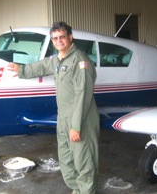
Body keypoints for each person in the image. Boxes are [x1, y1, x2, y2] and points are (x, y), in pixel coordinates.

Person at [8, 22, 99, 194]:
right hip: (64, 119)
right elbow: (43, 65)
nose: (59, 41)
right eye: (55, 38)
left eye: (62, 37)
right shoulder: (58, 59)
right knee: (66, 160)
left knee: (84, 161)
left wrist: (76, 127)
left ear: (70, 37)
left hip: (81, 120)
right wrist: (22, 70)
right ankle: (77, 190)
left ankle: (86, 191)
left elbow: (83, 96)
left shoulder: (80, 62)